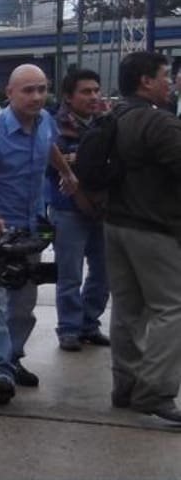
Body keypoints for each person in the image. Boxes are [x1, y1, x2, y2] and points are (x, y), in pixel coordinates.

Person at [0, 64, 78, 406]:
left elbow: (49, 148)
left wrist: (67, 173)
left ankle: (12, 359)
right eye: (28, 90)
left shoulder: (45, 123)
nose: (37, 96)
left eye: (42, 89)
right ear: (9, 93)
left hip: (28, 229)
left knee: (24, 304)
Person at [101, 51, 181, 424]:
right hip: (154, 227)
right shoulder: (159, 123)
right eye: (164, 75)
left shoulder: (115, 117)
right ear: (146, 81)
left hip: (116, 224)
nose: (170, 81)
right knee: (171, 309)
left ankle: (126, 385)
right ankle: (156, 390)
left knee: (127, 310)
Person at [46, 69, 110, 352]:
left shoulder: (107, 123)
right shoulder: (53, 124)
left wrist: (76, 158)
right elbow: (51, 160)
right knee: (70, 274)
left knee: (103, 272)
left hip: (102, 209)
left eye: (96, 90)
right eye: (86, 91)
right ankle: (69, 329)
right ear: (68, 97)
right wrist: (78, 159)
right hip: (67, 210)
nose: (93, 96)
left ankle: (89, 324)